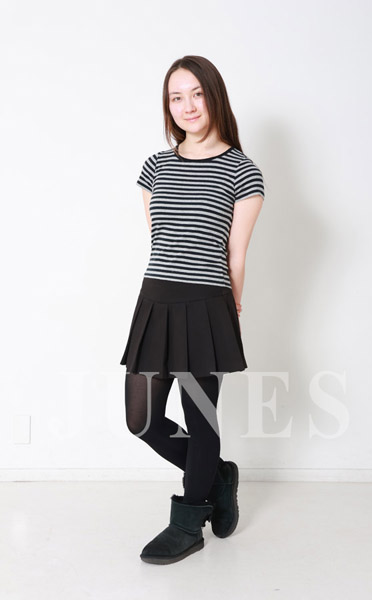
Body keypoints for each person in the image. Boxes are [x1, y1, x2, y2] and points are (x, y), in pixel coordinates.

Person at [120, 55, 265, 565]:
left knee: (199, 418)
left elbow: (235, 254)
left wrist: (231, 309)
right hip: (156, 302)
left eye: (196, 94)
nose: (187, 106)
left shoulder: (242, 171)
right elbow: (161, 239)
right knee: (142, 420)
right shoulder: (156, 166)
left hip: (207, 304)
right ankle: (217, 476)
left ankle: (188, 522)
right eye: (176, 97)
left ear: (214, 96)